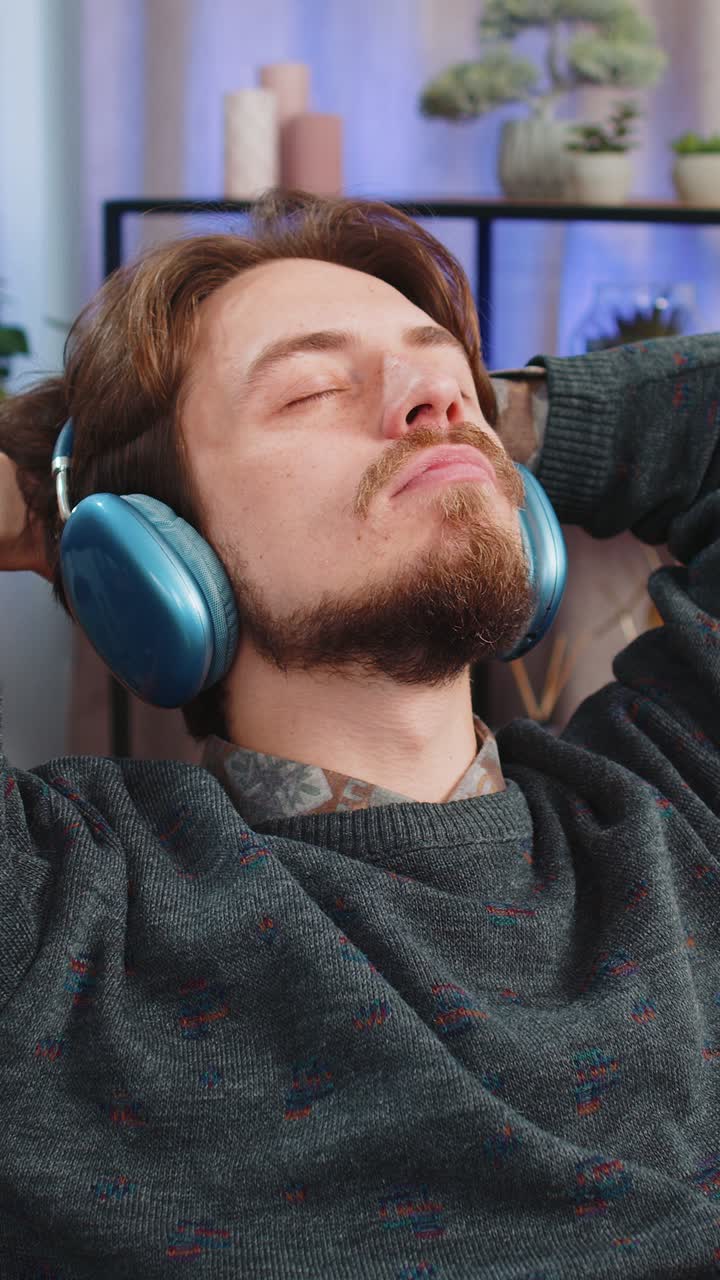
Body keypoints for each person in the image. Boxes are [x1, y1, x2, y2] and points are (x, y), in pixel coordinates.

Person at [0, 191, 718, 1278]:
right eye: (311, 388)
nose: (436, 395)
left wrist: (496, 419)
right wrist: (52, 502)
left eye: (446, 376)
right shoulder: (57, 914)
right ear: (158, 559)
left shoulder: (681, 804)